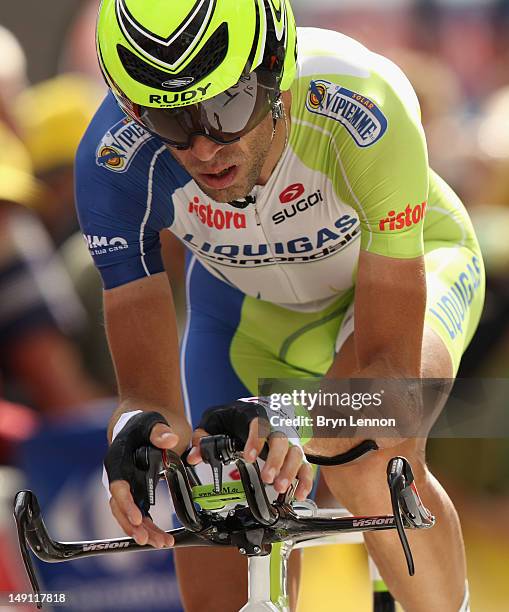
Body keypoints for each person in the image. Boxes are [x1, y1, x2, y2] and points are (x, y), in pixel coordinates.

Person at [76, 1, 484, 610]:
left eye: (226, 109)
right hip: (245, 313)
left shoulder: (362, 103)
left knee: (370, 460)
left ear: (277, 71)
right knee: (214, 498)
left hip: (402, 275)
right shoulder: (112, 161)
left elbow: (390, 380)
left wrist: (293, 416)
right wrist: (135, 433)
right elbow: (147, 397)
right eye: (169, 121)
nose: (203, 147)